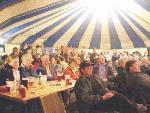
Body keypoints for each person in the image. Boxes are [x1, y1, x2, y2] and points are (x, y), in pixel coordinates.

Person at [74, 60, 140, 113]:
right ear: (82, 70)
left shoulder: (92, 76)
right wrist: (102, 97)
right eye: (88, 68)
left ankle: (136, 108)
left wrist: (108, 92)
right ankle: (137, 108)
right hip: (93, 105)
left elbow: (101, 87)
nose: (91, 69)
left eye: (91, 68)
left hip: (100, 98)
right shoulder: (81, 82)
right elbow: (85, 99)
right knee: (118, 99)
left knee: (118, 97)